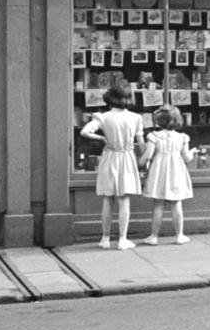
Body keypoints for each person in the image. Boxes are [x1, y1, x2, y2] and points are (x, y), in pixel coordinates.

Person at [79, 82, 146, 248]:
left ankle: (105, 238)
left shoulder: (103, 117)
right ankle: (123, 239)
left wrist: (102, 138)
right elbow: (141, 143)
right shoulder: (136, 118)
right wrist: (145, 160)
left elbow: (84, 132)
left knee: (107, 199)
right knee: (124, 200)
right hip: (127, 157)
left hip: (109, 157)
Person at [142, 105, 196, 245]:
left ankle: (153, 236)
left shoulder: (154, 136)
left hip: (159, 170)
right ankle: (180, 235)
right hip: (176, 171)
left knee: (158, 204)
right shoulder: (182, 138)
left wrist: (139, 163)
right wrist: (193, 152)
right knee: (176, 203)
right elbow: (186, 158)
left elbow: (148, 155)